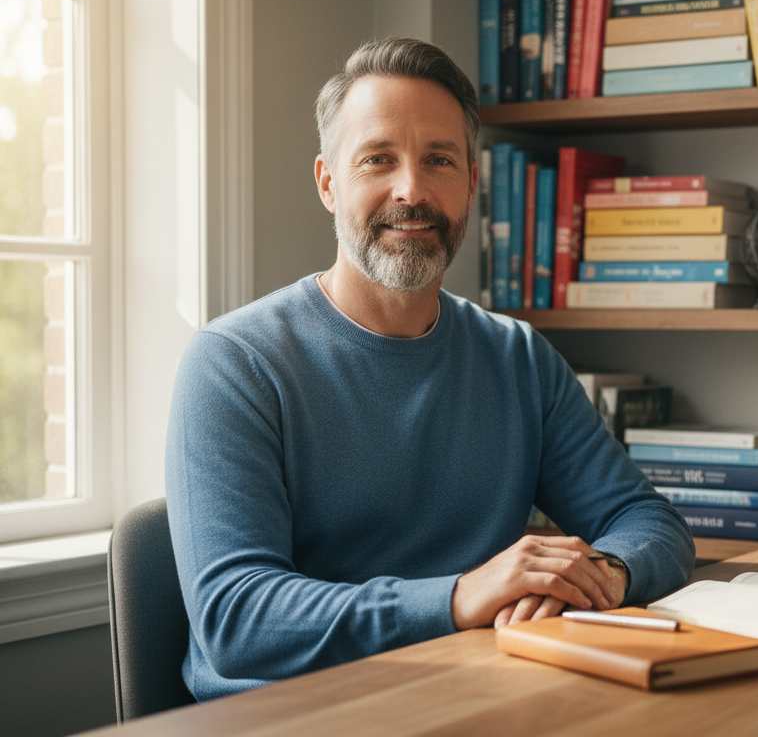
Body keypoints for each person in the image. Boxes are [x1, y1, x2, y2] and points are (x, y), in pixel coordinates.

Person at [164, 37, 694, 701]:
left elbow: (651, 524)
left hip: (478, 694)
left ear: (470, 183)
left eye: (439, 160)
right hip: (291, 715)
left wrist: (605, 575)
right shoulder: (234, 364)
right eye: (378, 160)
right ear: (329, 183)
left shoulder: (517, 358)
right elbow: (237, 619)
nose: (411, 191)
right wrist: (459, 597)